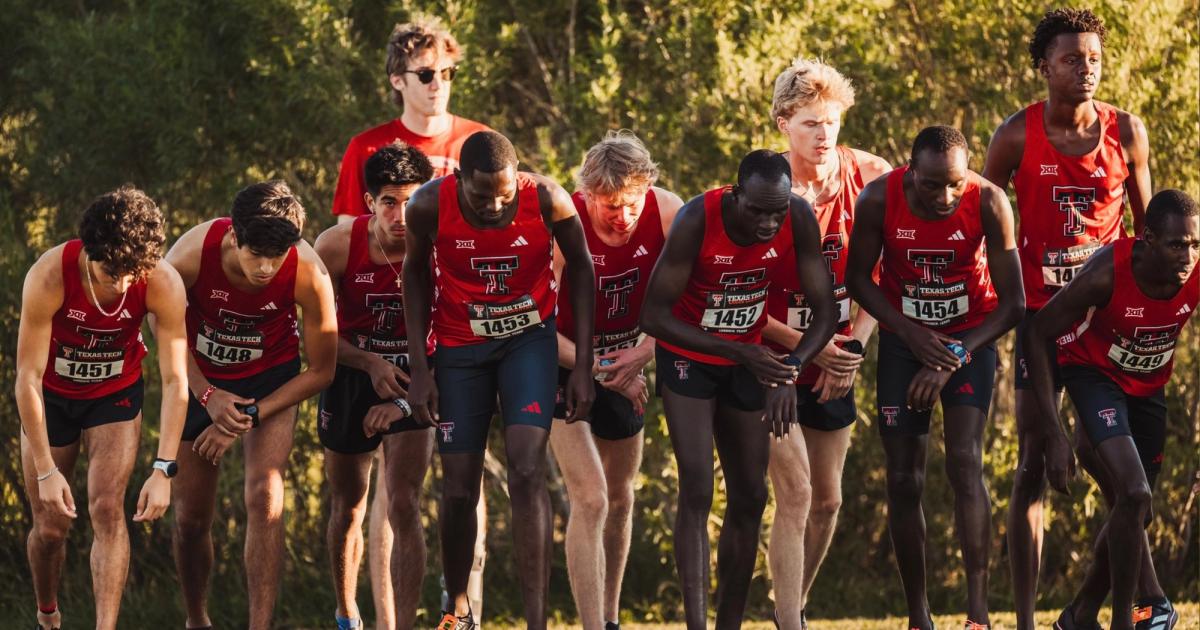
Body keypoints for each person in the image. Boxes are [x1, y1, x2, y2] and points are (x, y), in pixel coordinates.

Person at [980, 10, 1152, 627]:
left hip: (1106, 323)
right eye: (1072, 59)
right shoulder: (1015, 137)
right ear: (1044, 67)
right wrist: (993, 305)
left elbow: (1148, 230)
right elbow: (981, 221)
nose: (1086, 69)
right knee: (1034, 463)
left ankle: (1129, 604)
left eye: (1095, 58)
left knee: (1121, 469)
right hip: (1039, 321)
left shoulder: (1126, 132)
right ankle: (1026, 619)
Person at [331, 19, 492, 622]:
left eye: (448, 73)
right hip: (373, 338)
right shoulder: (366, 149)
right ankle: (377, 616)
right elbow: (357, 242)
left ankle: (462, 610)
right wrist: (365, 356)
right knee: (362, 500)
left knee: (438, 491)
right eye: (426, 75)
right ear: (398, 80)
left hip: (449, 338)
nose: (438, 85)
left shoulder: (478, 142)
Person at [403, 130, 595, 630]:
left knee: (527, 469)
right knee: (459, 489)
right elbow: (415, 275)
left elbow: (583, 267)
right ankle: (457, 607)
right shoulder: (427, 205)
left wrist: (585, 368)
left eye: (504, 194)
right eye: (481, 195)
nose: (494, 205)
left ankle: (536, 621)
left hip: (527, 342)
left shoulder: (548, 200)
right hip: (460, 349)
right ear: (458, 179)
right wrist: (421, 368)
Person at [640, 149, 837, 630]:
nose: (770, 222)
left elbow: (826, 311)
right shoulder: (696, 219)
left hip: (750, 360)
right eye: (758, 210)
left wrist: (788, 369)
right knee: (698, 489)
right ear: (735, 194)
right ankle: (696, 625)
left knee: (750, 495)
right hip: (691, 357)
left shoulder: (799, 217)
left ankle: (729, 622)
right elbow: (653, 316)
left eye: (778, 210)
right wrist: (737, 351)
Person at [846, 126, 1024, 630]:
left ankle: (978, 615)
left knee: (965, 460)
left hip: (970, 339)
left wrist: (952, 354)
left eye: (955, 184)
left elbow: (1015, 305)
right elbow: (857, 278)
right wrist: (909, 333)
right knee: (904, 478)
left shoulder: (990, 201)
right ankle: (918, 614)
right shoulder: (879, 198)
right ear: (910, 172)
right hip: (906, 342)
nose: (944, 196)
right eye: (931, 185)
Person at [166, 181, 338, 630]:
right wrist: (206, 393)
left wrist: (247, 415)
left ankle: (259, 626)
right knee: (190, 518)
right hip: (199, 376)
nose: (265, 268)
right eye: (255, 254)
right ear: (233, 237)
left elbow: (322, 371)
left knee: (265, 495)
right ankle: (196, 619)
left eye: (276, 257)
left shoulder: (308, 273)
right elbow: (163, 333)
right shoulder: (189, 255)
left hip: (271, 381)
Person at [16, 187, 189, 630]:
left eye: (134, 272)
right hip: (51, 398)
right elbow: (27, 380)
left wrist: (164, 468)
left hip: (114, 395)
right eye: (113, 272)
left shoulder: (162, 282)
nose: (124, 284)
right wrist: (44, 469)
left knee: (108, 509)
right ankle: (47, 612)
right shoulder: (50, 275)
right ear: (91, 252)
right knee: (51, 528)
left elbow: (175, 381)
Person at [1025, 189, 1196, 630]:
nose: (1189, 255)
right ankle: (1128, 618)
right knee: (1135, 494)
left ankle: (1080, 615)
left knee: (1134, 508)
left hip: (1149, 388)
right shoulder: (1107, 273)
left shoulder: (1195, 271)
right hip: (1093, 375)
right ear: (1148, 238)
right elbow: (1038, 333)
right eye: (1178, 244)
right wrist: (1055, 433)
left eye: (1196, 244)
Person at [761, 58, 891, 630]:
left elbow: (886, 274)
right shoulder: (763, 185)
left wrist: (854, 349)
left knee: (829, 500)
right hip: (775, 354)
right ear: (784, 122)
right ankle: (791, 620)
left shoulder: (871, 175)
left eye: (833, 122)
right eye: (811, 123)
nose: (824, 134)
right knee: (795, 491)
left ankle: (792, 601)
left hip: (841, 353)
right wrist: (807, 348)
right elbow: (733, 292)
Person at [550, 131, 682, 630]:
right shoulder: (567, 223)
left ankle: (609, 618)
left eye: (630, 204)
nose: (621, 216)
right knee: (591, 497)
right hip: (566, 362)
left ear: (647, 189)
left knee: (622, 495)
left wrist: (643, 353)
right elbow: (536, 327)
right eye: (608, 205)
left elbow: (694, 298)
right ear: (586, 195)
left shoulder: (668, 212)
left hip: (631, 359)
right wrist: (606, 370)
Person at [314, 143, 434, 630]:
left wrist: (404, 402)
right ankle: (347, 614)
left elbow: (459, 338)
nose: (400, 215)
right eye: (389, 201)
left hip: (418, 375)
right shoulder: (337, 246)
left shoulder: (442, 246)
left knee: (404, 501)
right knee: (348, 503)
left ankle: (405, 623)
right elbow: (316, 340)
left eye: (411, 201)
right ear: (368, 202)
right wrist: (367, 363)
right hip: (350, 370)